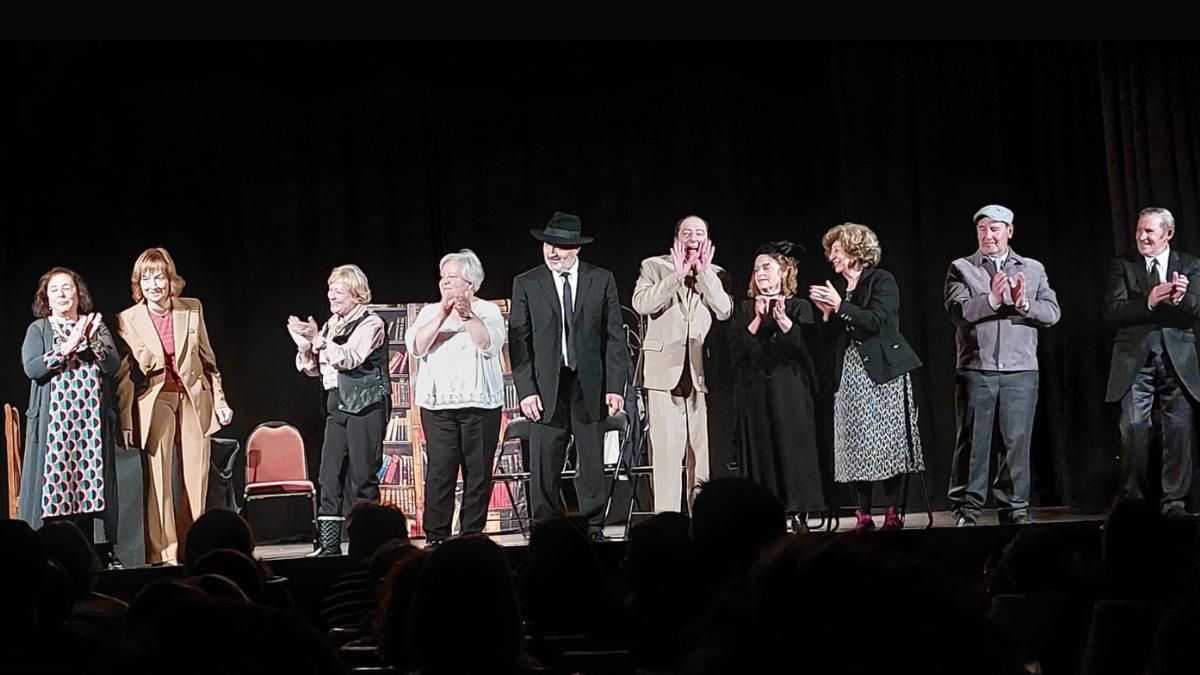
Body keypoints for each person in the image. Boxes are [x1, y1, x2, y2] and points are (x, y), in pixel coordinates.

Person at [509, 211, 632, 542]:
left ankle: (593, 528)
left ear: (576, 248)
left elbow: (613, 338)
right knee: (545, 463)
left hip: (588, 384)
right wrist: (526, 390)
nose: (552, 252)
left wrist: (614, 387)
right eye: (548, 245)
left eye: (560, 246)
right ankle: (545, 529)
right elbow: (519, 343)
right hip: (546, 386)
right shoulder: (527, 283)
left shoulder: (600, 279)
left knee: (590, 461)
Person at [944, 204, 1061, 527]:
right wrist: (993, 300)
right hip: (976, 368)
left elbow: (1052, 313)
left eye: (995, 229)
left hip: (1020, 370)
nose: (988, 236)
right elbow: (958, 311)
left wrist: (1024, 304)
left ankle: (1015, 507)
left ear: (1009, 231)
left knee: (1016, 441)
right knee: (973, 441)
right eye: (982, 229)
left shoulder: (1032, 268)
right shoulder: (962, 268)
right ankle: (967, 509)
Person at [116, 248, 233, 565]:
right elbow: (124, 376)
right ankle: (164, 553)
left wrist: (220, 401)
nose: (154, 285)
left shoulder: (191, 309)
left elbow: (209, 361)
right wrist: (126, 420)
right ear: (138, 283)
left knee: (196, 477)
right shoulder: (127, 319)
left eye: (160, 277)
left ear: (171, 280)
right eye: (146, 278)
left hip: (194, 398)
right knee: (160, 479)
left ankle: (194, 547)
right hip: (156, 400)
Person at [809, 223, 924, 531]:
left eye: (836, 250)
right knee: (855, 440)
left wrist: (840, 306)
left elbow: (877, 321)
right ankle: (863, 513)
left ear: (854, 250)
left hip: (884, 370)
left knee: (888, 439)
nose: (831, 257)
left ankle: (891, 511)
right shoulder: (836, 286)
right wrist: (826, 314)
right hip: (849, 372)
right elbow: (829, 337)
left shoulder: (881, 280)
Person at [20, 267, 122, 567]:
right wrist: (67, 345)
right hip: (55, 426)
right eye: (54, 290)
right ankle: (52, 558)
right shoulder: (39, 329)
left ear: (79, 293)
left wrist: (91, 341)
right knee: (56, 487)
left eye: (67, 288)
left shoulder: (94, 326)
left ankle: (88, 558)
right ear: (46, 299)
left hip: (89, 426)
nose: (62, 294)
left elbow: (112, 366)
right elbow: (33, 368)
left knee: (88, 489)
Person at [405, 249, 507, 546]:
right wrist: (443, 314)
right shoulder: (429, 312)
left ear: (470, 284)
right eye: (443, 277)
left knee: (478, 473)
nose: (445, 282)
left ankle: (472, 535)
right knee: (440, 471)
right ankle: (436, 536)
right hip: (438, 407)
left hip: (480, 406)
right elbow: (417, 347)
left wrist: (466, 315)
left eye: (452, 277)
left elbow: (489, 344)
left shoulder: (488, 311)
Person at [1104, 207, 1200, 518]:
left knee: (1178, 429)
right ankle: (1135, 503)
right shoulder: (1123, 264)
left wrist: (1180, 298)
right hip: (1135, 358)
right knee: (1133, 427)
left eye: (1149, 231)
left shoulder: (1189, 264)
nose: (1142, 237)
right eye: (1139, 230)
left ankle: (1174, 502)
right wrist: (1149, 300)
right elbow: (1113, 311)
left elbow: (1197, 306)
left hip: (1177, 358)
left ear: (1167, 234)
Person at [632, 215, 732, 513]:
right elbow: (642, 304)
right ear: (676, 238)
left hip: (700, 372)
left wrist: (704, 274)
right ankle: (667, 518)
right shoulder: (653, 266)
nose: (693, 238)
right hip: (664, 371)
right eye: (687, 233)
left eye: (699, 233)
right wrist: (675, 276)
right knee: (666, 451)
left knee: (699, 453)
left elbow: (724, 310)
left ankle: (701, 515)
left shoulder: (716, 272)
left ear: (707, 240)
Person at [288, 264, 389, 555]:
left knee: (363, 476)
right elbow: (316, 370)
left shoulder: (371, 323)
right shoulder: (332, 324)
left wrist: (319, 341)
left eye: (339, 291)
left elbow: (350, 358)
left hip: (365, 405)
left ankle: (368, 543)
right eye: (330, 290)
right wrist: (305, 347)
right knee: (329, 475)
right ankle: (329, 545)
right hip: (336, 405)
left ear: (357, 294)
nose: (332, 296)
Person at [728, 241, 825, 532]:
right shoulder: (744, 309)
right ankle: (766, 514)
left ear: (784, 272)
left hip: (790, 391)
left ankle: (798, 512)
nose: (760, 273)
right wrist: (758, 320)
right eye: (756, 269)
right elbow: (736, 351)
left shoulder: (799, 307)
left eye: (767, 267)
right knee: (762, 450)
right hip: (755, 392)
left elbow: (806, 351)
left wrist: (784, 322)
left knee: (793, 447)